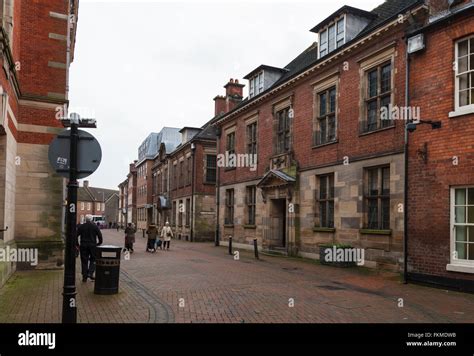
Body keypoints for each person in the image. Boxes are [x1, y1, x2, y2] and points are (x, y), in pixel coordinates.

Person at [76, 215, 103, 282]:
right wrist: (99, 243)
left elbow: (75, 236)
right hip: (92, 245)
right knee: (93, 259)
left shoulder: (81, 226)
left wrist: (77, 244)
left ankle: (84, 276)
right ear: (92, 219)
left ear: (85, 219)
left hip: (83, 245)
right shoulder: (95, 226)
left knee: (84, 261)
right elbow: (100, 236)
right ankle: (90, 273)